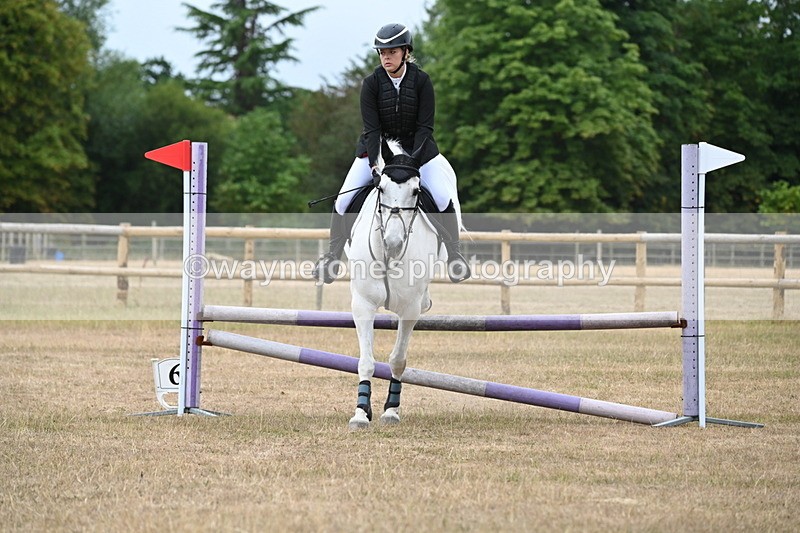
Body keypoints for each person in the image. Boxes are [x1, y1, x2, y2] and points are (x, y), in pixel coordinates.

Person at [313, 22, 470, 284]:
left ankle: (455, 256)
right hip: (376, 151)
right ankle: (332, 257)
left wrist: (414, 162)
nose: (386, 57)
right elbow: (372, 130)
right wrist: (376, 167)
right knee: (341, 201)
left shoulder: (422, 81)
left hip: (417, 152)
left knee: (443, 197)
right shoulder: (371, 84)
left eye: (392, 52)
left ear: (406, 52)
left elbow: (425, 127)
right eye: (382, 53)